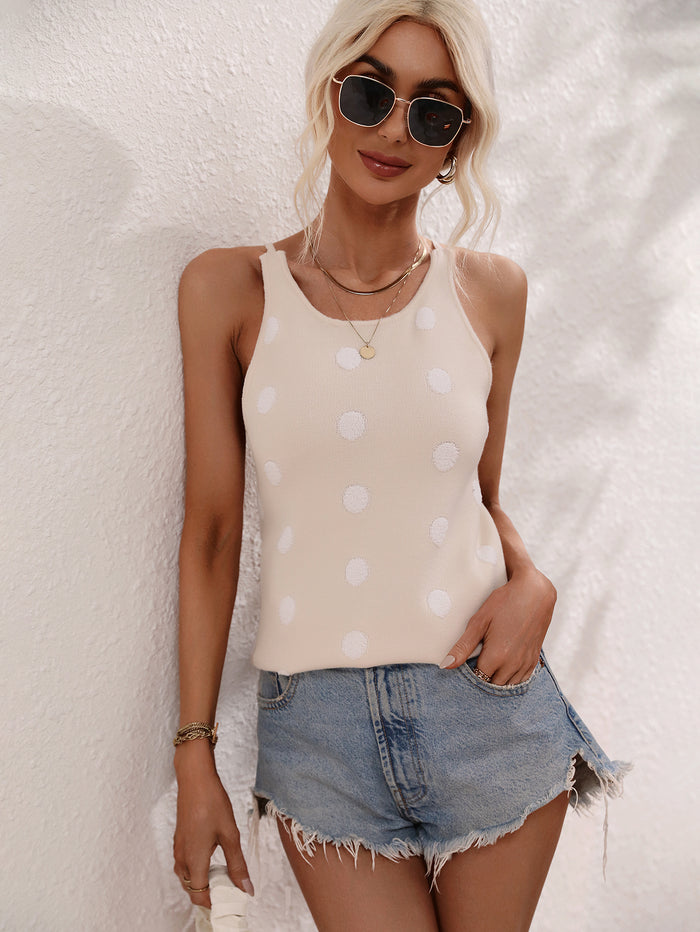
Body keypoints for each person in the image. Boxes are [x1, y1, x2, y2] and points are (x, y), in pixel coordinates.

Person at [172, 1, 628, 929]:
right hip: (320, 735)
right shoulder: (229, 289)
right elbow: (213, 534)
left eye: (433, 110)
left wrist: (533, 582)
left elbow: (478, 496)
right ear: (330, 93)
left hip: (487, 706)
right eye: (371, 94)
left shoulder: (492, 293)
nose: (392, 131)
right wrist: (194, 755)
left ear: (458, 142)